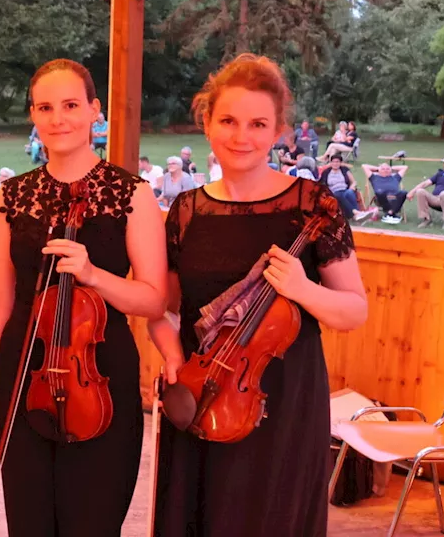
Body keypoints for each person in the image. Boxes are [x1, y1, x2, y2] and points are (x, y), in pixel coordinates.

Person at [147, 54, 367, 537]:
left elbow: (353, 310)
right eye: (227, 120)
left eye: (257, 123)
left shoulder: (313, 205)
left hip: (283, 404)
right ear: (207, 123)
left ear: (278, 132)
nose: (240, 136)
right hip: (201, 396)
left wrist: (303, 288)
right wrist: (169, 356)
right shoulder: (187, 211)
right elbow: (159, 308)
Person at [0, 59, 167, 536]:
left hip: (100, 376)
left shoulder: (132, 194)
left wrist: (94, 275)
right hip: (23, 372)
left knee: (92, 522)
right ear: (33, 116)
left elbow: (153, 300)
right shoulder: (12, 196)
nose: (59, 119)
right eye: (46, 107)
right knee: (29, 522)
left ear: (95, 111)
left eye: (71, 105)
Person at [407, 155, 444, 229]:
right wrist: (412, 191)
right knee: (420, 191)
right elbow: (426, 183)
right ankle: (426, 219)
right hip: (435, 199)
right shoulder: (440, 174)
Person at [318, 153, 376, 223]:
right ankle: (357, 214)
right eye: (333, 162)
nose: (335, 164)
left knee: (350, 193)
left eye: (337, 162)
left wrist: (352, 187)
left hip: (345, 190)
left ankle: (357, 214)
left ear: (341, 163)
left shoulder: (344, 170)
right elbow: (322, 185)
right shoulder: (326, 172)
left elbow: (354, 182)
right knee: (338, 195)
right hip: (333, 193)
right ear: (330, 163)